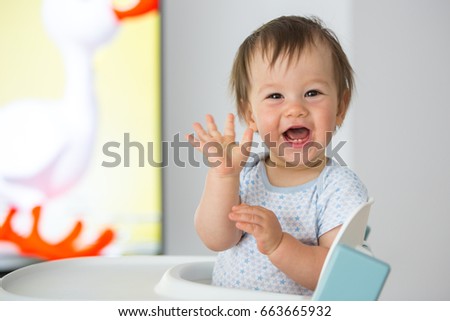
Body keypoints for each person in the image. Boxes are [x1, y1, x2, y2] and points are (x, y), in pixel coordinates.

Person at [187, 15, 368, 296]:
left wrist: (279, 244)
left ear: (340, 108)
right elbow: (216, 239)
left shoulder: (338, 188)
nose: (295, 109)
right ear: (251, 115)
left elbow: (337, 275)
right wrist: (223, 175)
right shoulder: (244, 173)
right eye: (275, 96)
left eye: (312, 92)